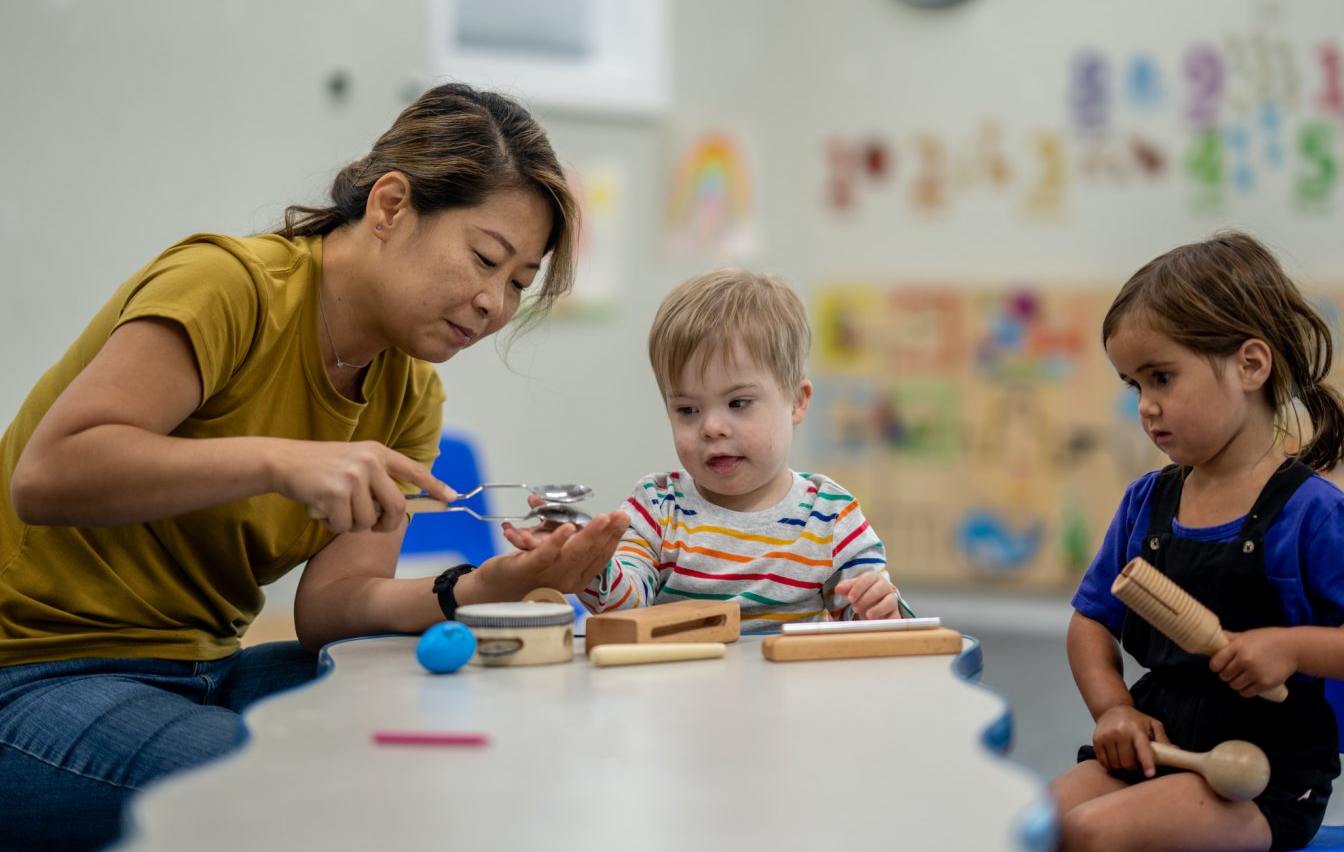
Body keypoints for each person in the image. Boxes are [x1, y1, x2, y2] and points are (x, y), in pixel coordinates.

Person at [0, 83, 630, 851]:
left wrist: (481, 588)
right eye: (485, 259)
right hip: (35, 675)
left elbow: (331, 609)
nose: (494, 304)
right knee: (307, 791)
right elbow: (47, 475)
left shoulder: (409, 392)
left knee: (466, 717)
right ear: (391, 206)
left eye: (518, 284)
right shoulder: (228, 287)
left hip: (206, 672)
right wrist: (280, 461)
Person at [1051, 231, 1344, 852]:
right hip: (1164, 745)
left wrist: (1291, 648)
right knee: (1038, 824)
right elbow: (1090, 620)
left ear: (1250, 365)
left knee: (1094, 834)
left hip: (1264, 774)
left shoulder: (1314, 512)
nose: (1146, 406)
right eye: (1135, 385)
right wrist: (1114, 708)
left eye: (1162, 377)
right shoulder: (1146, 502)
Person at [507, 268, 914, 631]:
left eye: (738, 403)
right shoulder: (657, 508)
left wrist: (880, 611)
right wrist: (589, 566)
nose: (712, 427)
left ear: (797, 401)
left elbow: (871, 630)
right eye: (688, 409)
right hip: (679, 688)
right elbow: (624, 608)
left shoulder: (831, 516)